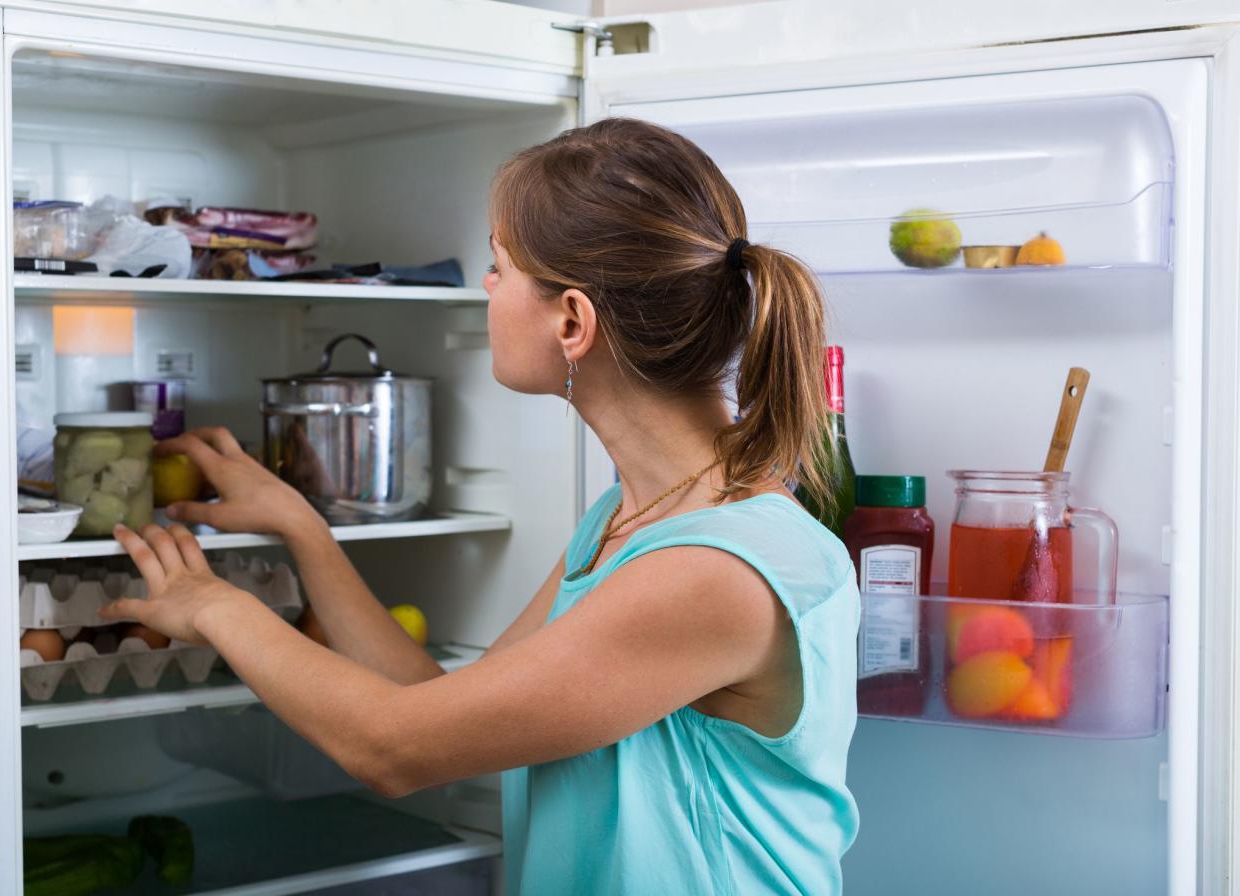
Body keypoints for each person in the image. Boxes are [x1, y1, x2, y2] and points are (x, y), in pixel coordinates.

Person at [101, 118, 861, 894]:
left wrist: (214, 608)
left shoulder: (717, 572)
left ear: (571, 321)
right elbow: (435, 709)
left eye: (499, 267)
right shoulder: (630, 518)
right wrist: (302, 525)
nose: (486, 289)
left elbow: (392, 749)